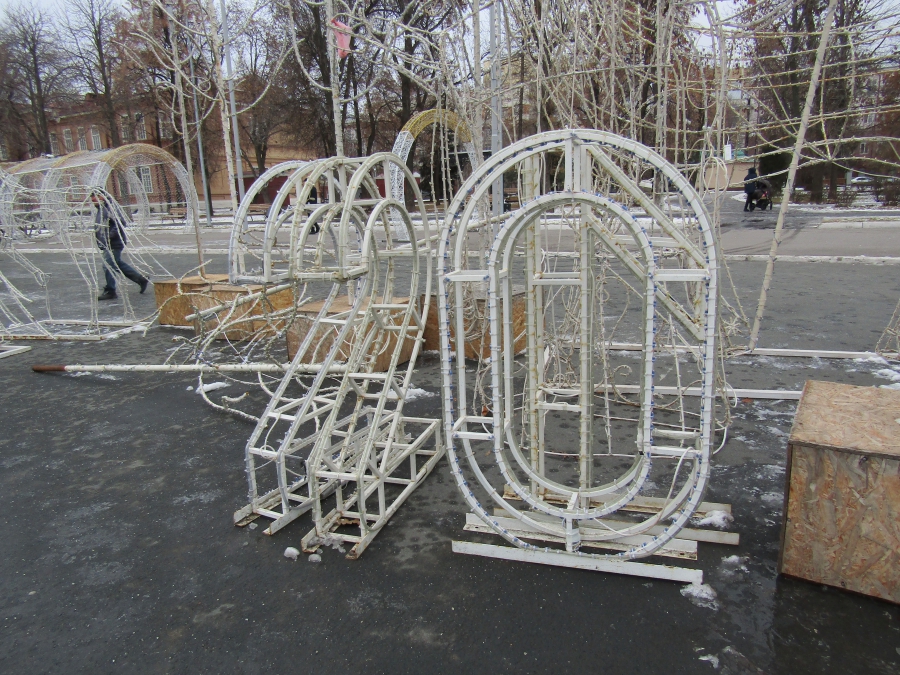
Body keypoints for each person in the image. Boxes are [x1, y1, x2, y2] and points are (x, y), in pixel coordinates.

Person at [92, 192, 149, 301]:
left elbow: (120, 223)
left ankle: (110, 291)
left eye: (96, 196)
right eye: (92, 197)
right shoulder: (101, 209)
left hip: (113, 243)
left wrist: (109, 236)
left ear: (103, 196)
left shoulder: (110, 208)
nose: (94, 199)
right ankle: (140, 279)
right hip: (107, 243)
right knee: (116, 263)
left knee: (108, 265)